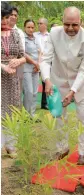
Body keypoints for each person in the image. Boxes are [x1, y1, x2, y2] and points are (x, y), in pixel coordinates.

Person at [40, 6, 84, 165]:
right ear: (62, 22)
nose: (70, 28)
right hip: (58, 81)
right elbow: (45, 59)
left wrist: (73, 90)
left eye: (75, 25)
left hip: (81, 84)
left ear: (81, 22)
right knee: (59, 117)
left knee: (82, 118)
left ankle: (83, 152)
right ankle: (62, 148)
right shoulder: (54, 34)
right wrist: (47, 80)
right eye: (67, 24)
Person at [1, 2, 26, 157]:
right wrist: (3, 67)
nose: (4, 21)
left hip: (12, 79)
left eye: (6, 17)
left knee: (11, 112)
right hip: (1, 77)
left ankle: (11, 145)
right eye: (2, 18)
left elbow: (23, 56)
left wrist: (18, 61)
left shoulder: (16, 34)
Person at [23, 19, 40, 117]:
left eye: (32, 27)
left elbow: (40, 52)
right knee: (28, 92)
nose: (30, 29)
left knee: (34, 92)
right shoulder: (22, 38)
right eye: (28, 27)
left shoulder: (36, 38)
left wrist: (38, 65)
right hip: (26, 68)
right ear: (24, 28)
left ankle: (32, 115)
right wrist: (34, 63)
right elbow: (22, 53)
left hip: (36, 69)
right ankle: (25, 115)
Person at [9, 6, 25, 99]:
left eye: (15, 15)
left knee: (16, 94)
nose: (14, 17)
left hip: (18, 67)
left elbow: (22, 54)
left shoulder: (20, 32)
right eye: (11, 15)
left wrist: (17, 62)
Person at [34, 18, 49, 110]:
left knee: (46, 83)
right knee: (34, 83)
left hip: (46, 63)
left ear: (45, 25)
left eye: (41, 23)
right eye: (38, 23)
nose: (38, 25)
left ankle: (44, 103)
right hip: (35, 62)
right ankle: (32, 104)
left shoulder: (50, 36)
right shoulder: (34, 35)